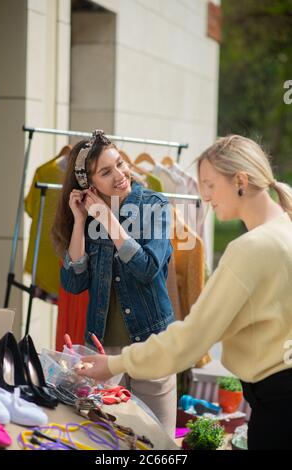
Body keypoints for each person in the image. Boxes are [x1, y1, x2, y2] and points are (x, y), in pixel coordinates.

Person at [76, 134, 292, 450]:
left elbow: (191, 339)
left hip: (278, 408)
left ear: (240, 181)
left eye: (209, 184)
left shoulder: (249, 249)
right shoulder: (285, 230)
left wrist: (112, 365)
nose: (204, 196)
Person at [52, 130, 177, 437]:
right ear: (89, 184)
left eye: (120, 164)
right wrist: (81, 222)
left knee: (156, 441)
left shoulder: (155, 206)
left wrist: (109, 220)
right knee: (105, 439)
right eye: (107, 172)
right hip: (102, 352)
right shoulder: (89, 219)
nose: (121, 175)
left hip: (152, 345)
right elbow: (73, 282)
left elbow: (147, 268)